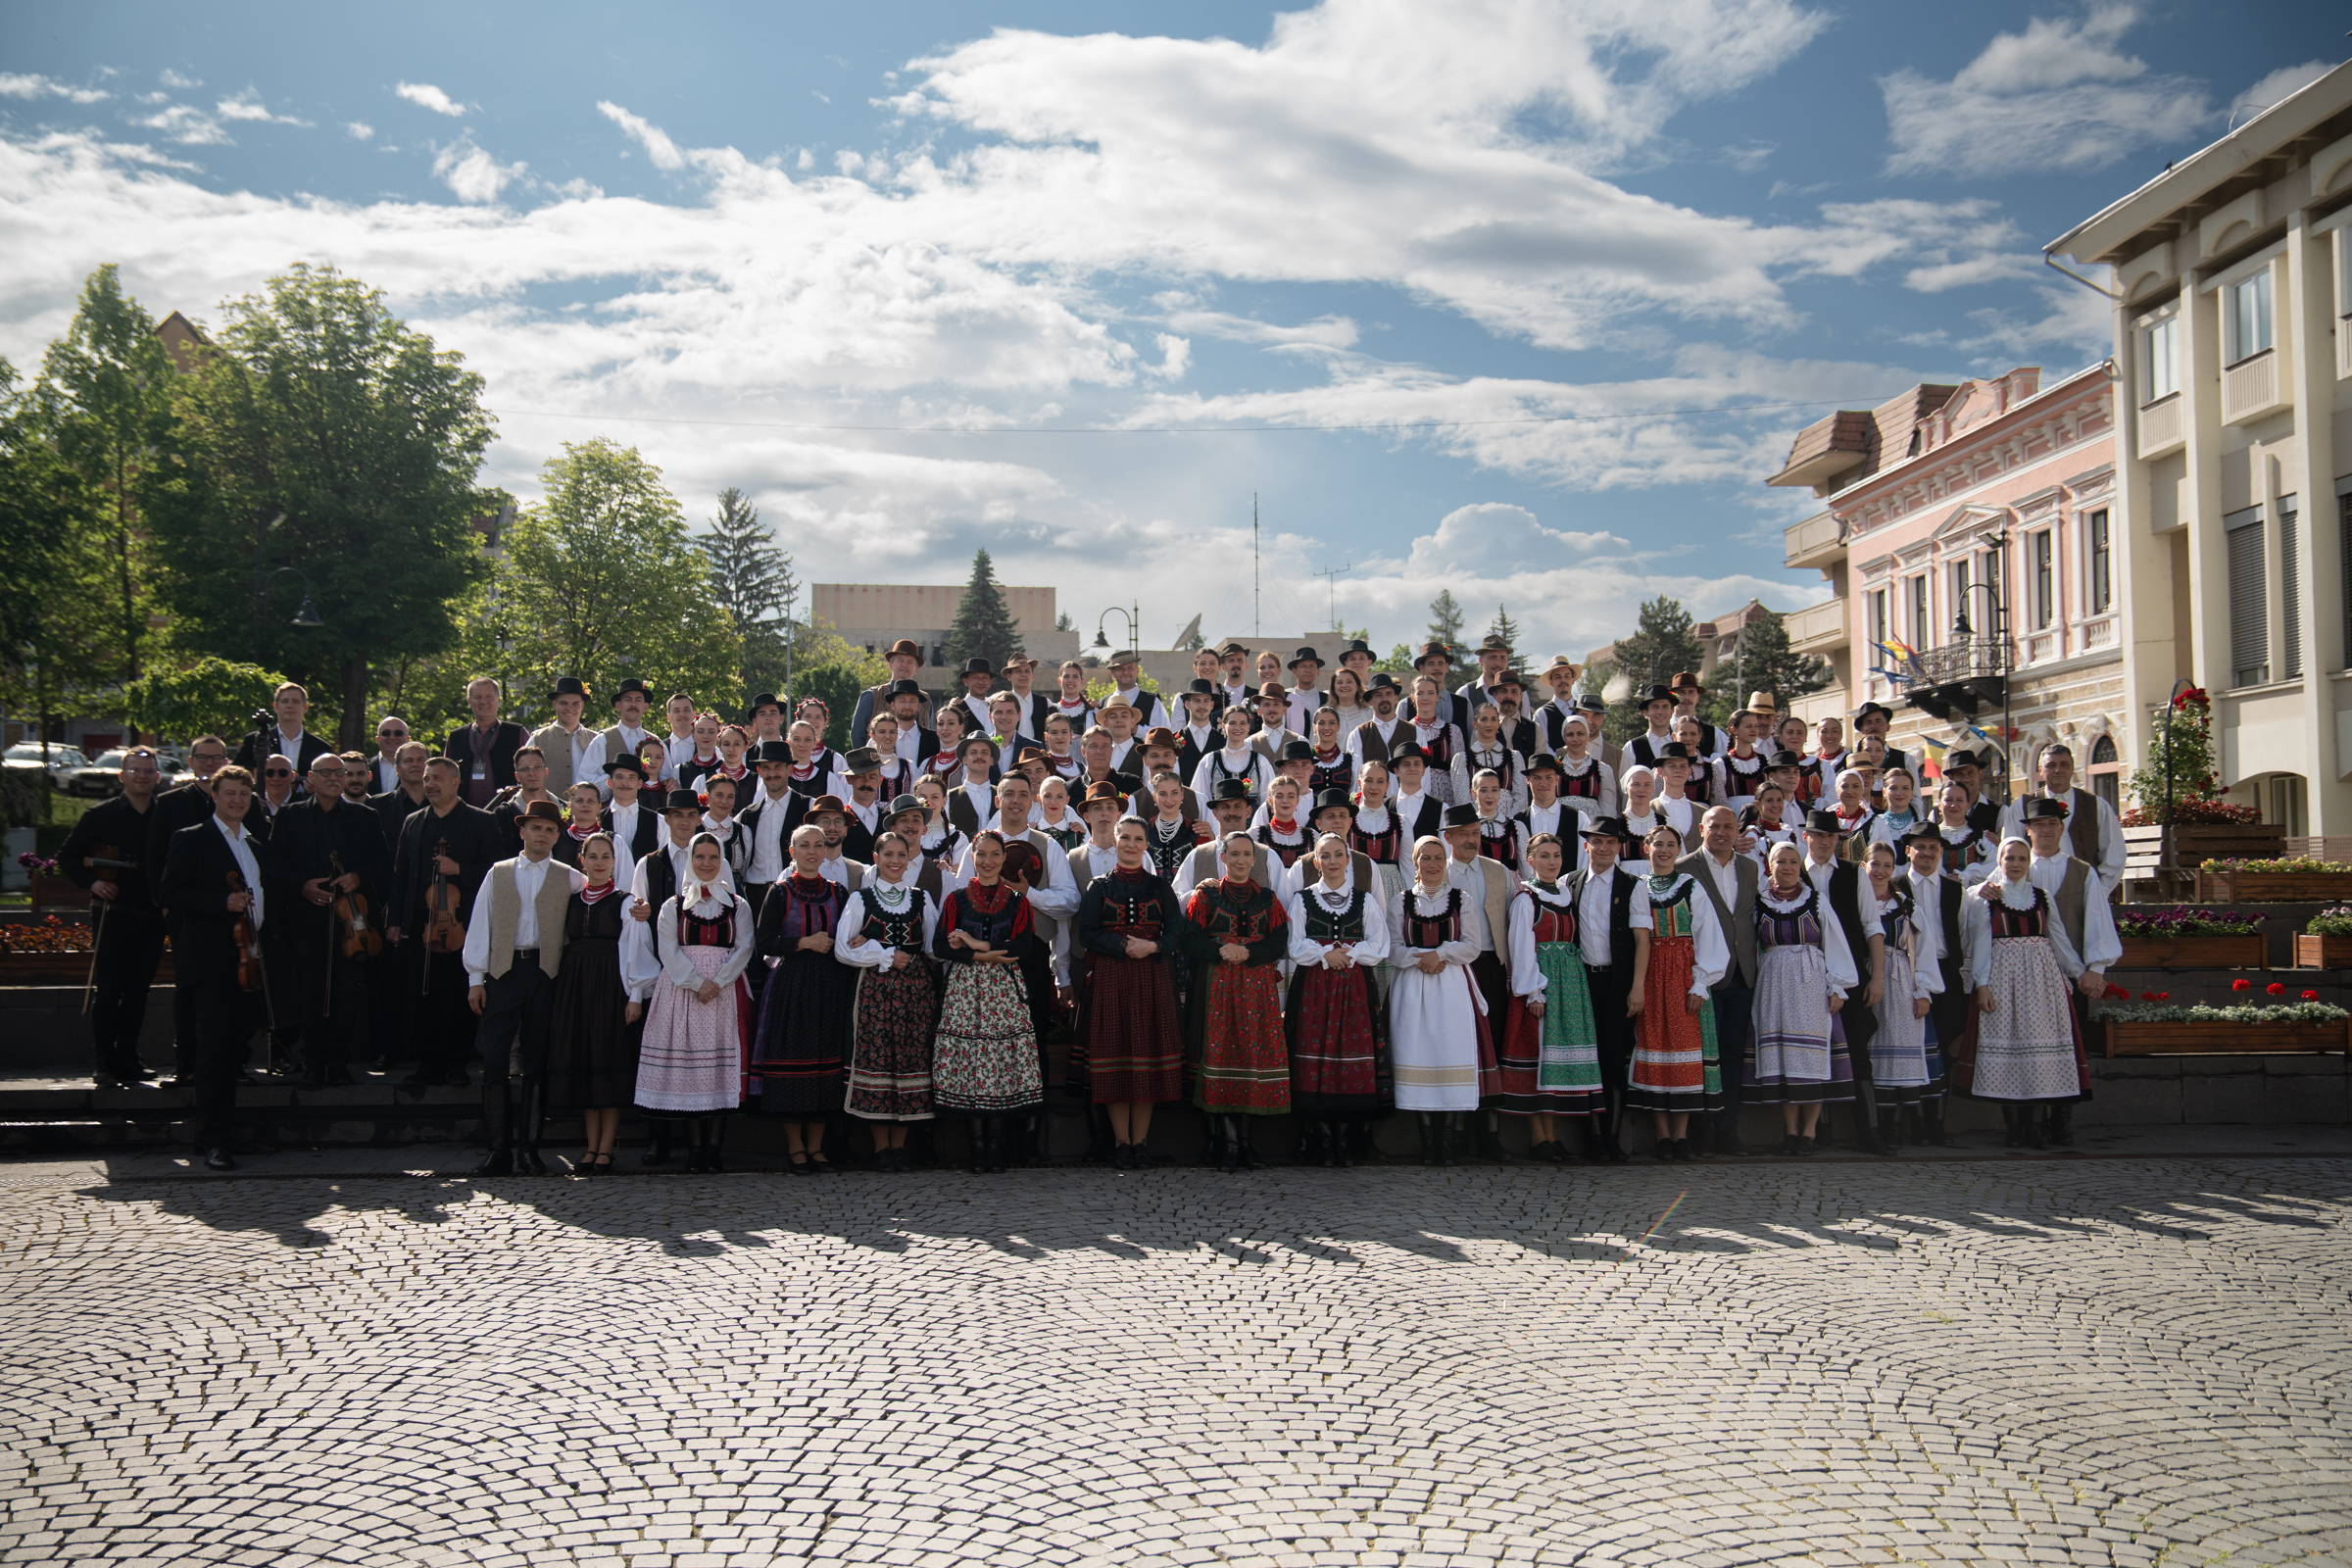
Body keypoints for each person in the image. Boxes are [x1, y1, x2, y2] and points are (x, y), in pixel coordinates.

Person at [460, 801, 585, 1176]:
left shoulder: (569, 876)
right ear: (522, 831)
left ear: (556, 836)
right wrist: (475, 978)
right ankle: (498, 1149)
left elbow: (602, 893)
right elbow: (481, 923)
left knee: (536, 1062)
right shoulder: (497, 873)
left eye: (549, 829)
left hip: (546, 973)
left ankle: (529, 1149)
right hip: (503, 971)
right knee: (494, 1059)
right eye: (536, 828)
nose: (542, 835)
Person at [159, 763, 269, 1169]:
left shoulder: (255, 843)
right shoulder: (192, 839)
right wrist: (220, 903)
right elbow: (171, 892)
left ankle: (225, 1130)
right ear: (214, 796)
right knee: (212, 1051)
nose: (237, 800)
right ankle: (211, 1139)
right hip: (210, 961)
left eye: (243, 794)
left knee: (234, 1052)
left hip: (247, 960)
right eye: (229, 794)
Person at [629, 833, 756, 1171]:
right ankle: (695, 1150)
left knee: (717, 1072)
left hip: (724, 994)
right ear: (690, 861)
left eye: (713, 857)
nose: (706, 863)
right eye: (699, 856)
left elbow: (744, 948)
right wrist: (697, 982)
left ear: (722, 861)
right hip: (681, 993)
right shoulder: (673, 906)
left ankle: (713, 1150)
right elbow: (667, 950)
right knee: (688, 1072)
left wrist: (718, 982)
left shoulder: (736, 905)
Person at [265, 751, 391, 1087]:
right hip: (307, 919)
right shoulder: (290, 817)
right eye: (326, 772)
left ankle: (338, 1061)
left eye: (340, 772)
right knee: (309, 993)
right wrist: (301, 886)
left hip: (352, 921)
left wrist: (358, 878)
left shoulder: (365, 816)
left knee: (347, 992)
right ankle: (313, 1061)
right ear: (310, 779)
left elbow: (382, 861)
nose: (335, 777)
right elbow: (274, 864)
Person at [1074, 817, 1188, 1170]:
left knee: (1147, 1060)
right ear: (1116, 840)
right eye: (1125, 837)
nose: (1131, 844)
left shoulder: (1159, 887)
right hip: (1112, 977)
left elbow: (1176, 931)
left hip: (1152, 977)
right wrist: (1125, 944)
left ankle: (1140, 1143)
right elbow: (1087, 934)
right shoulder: (1099, 887)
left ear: (1145, 844)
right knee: (1116, 1057)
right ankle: (1121, 1143)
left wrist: (1152, 946)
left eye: (1138, 839)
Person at [931, 830, 1046, 1173]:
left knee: (999, 1065)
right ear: (973, 857)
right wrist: (984, 956)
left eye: (995, 854)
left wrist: (973, 944)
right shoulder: (957, 900)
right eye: (981, 854)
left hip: (1004, 994)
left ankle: (995, 1149)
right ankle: (977, 1149)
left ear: (1002, 859)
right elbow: (939, 947)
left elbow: (1024, 948)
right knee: (971, 1065)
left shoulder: (1016, 902)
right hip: (966, 990)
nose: (988, 861)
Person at [388, 758, 505, 1087]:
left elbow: (498, 869)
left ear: (456, 782)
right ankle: (429, 1061)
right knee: (423, 993)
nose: (429, 784)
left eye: (437, 778)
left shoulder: (481, 821)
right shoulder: (413, 822)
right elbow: (402, 874)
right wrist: (396, 919)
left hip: (464, 923)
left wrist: (460, 870)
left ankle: (457, 1062)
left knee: (458, 992)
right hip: (421, 925)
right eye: (426, 778)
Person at [1183, 830, 1293, 1171]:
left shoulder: (1268, 899)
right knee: (1218, 1054)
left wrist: (1248, 951)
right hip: (1215, 986)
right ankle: (1224, 1144)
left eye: (1247, 855)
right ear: (1223, 858)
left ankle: (1244, 1145)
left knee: (1251, 1059)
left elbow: (1278, 942)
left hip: (1256, 991)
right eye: (1235, 855)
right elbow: (1190, 942)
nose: (1241, 861)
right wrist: (1221, 950)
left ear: (1254, 860)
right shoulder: (1205, 895)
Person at [836, 828, 944, 1171]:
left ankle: (899, 1147)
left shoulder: (921, 898)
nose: (895, 861)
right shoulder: (861, 898)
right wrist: (881, 954)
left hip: (915, 992)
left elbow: (932, 948)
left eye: (901, 855)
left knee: (911, 1062)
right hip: (875, 992)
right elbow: (842, 949)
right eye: (888, 855)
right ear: (876, 858)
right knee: (878, 1060)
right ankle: (881, 1147)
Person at [59, 745, 167, 1087]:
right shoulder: (100, 815)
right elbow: (68, 857)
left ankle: (129, 1058)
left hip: (151, 917)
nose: (142, 776)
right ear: (122, 776)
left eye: (148, 771)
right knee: (109, 990)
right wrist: (93, 883)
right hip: (112, 915)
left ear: (158, 777)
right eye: (135, 770)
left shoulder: (165, 815)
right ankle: (104, 1060)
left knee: (138, 991)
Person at [1285, 831, 1393, 1167]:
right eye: (1325, 856)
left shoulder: (1364, 900)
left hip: (1354, 988)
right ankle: (1320, 1139)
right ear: (1316, 863)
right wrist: (1323, 955)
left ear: (1348, 860)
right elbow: (1294, 944)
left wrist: (1351, 953)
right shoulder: (1302, 899)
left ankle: (1344, 1141)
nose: (1332, 862)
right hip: (1314, 988)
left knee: (1352, 1056)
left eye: (1338, 855)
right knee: (1312, 1055)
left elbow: (1380, 944)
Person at [1747, 840, 1860, 1154]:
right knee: (1784, 1057)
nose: (1786, 867)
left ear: (1800, 867)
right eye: (1780, 861)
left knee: (1810, 1058)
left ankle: (1809, 1132)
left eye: (1793, 862)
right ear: (1770, 866)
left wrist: (1837, 986)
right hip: (1773, 988)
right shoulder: (1758, 903)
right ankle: (1791, 1131)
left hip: (1810, 985)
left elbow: (1836, 944)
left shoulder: (1817, 901)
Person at [1386, 834, 1493, 1165]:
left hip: (1451, 988)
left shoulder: (1462, 900)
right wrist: (1420, 958)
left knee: (1449, 1052)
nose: (1431, 864)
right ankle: (1427, 1140)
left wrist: (1442, 953)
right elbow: (1391, 948)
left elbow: (1472, 945)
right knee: (1416, 1052)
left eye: (1436, 858)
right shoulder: (1400, 901)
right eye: (1424, 858)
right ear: (1414, 863)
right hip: (1412, 988)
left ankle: (1445, 1141)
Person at [1624, 822, 1728, 1161]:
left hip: (1684, 976)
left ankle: (1681, 1135)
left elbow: (1709, 935)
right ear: (1647, 849)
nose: (1665, 850)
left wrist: (1701, 982)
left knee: (1684, 1050)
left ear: (1679, 850)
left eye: (1671, 844)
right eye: (1659, 845)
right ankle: (1662, 1136)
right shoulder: (1638, 888)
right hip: (1652, 975)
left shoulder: (1690, 886)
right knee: (1655, 1047)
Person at [1496, 832, 1603, 1161]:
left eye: (1556, 855)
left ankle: (1552, 1135)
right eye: (1544, 855)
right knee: (1538, 1058)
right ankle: (1537, 1137)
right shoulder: (1526, 899)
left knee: (1555, 1063)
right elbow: (1522, 949)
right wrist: (1533, 992)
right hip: (1541, 985)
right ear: (1530, 860)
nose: (1552, 861)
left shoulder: (1566, 894)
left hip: (1569, 985)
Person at [542, 832, 638, 1173]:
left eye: (605, 857)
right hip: (576, 985)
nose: (599, 863)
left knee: (606, 1060)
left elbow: (635, 952)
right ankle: (590, 1145)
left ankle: (606, 1148)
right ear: (582, 861)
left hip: (610, 985)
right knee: (585, 1061)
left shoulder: (627, 902)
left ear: (614, 862)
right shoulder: (571, 900)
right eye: (593, 856)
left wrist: (635, 996)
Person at [1563, 816, 1646, 1161]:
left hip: (1617, 982)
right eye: (1597, 841)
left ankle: (1613, 1139)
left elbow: (1643, 939)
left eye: (1610, 842)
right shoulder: (1571, 882)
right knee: (1586, 1060)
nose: (1603, 847)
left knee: (1613, 1060)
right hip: (1582, 981)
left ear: (1619, 847)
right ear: (1587, 846)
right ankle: (1593, 1140)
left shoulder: (1632, 884)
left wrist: (1637, 987)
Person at [1679, 806, 1759, 1156]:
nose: (1722, 833)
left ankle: (1728, 1127)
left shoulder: (1750, 867)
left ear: (1738, 830)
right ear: (1702, 828)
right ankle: (1702, 1129)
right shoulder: (1684, 868)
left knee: (1731, 1054)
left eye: (1729, 827)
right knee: (1701, 1056)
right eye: (1715, 826)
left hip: (1742, 974)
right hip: (1701, 978)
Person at [1860, 837, 1945, 1152]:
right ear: (1863, 867)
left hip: (1902, 987)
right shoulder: (1857, 903)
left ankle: (1898, 1126)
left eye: (1887, 865)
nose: (1880, 871)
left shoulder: (1906, 907)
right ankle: (1879, 1127)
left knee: (1903, 1058)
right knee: (1874, 1057)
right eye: (1875, 865)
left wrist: (1923, 992)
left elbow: (1923, 954)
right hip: (1866, 984)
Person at [1997, 742, 2128, 896]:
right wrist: (2018, 891)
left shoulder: (2096, 805)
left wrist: (2099, 891)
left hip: (2082, 891)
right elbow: (2008, 850)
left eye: (2064, 765)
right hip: (2034, 891)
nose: (2058, 770)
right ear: (2040, 770)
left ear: (2072, 768)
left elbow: (2115, 853)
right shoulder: (2023, 805)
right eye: (2051, 765)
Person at [444, 677, 530, 809]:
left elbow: (533, 771)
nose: (483, 702)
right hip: (465, 816)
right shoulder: (456, 737)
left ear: (498, 700)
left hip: (508, 813)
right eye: (477, 697)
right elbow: (446, 776)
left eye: (489, 696)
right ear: (469, 701)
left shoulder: (517, 733)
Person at [233, 681, 334, 777]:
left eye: (296, 702)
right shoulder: (255, 740)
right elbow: (237, 775)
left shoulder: (321, 747)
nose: (290, 705)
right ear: (275, 706)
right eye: (285, 701)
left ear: (305, 708)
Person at [851, 640, 925, 745]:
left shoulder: (925, 700)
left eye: (910, 662)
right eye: (901, 660)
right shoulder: (871, 696)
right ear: (890, 665)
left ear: (916, 669)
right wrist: (867, 760)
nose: (905, 665)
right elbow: (857, 735)